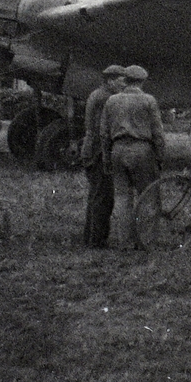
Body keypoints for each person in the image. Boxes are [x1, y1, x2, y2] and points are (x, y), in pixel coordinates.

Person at [99, 64, 165, 250]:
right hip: (142, 150)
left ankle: (124, 242)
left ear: (125, 80)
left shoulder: (112, 101)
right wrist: (160, 156)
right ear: (142, 81)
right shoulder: (148, 101)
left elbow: (103, 133)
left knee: (122, 198)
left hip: (117, 149)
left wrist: (106, 157)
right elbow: (157, 132)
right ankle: (146, 241)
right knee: (148, 196)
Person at [80, 65, 125, 248]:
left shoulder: (97, 94)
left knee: (96, 195)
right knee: (103, 197)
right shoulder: (107, 98)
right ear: (110, 80)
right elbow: (104, 130)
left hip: (92, 149)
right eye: (121, 80)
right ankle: (97, 240)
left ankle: (91, 237)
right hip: (99, 151)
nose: (124, 84)